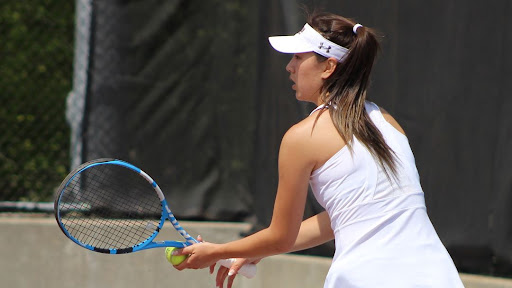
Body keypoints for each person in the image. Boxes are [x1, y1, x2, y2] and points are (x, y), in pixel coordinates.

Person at [171, 11, 465, 288]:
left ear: (328, 66)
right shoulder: (388, 123)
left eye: (299, 57)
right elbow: (348, 213)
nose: (290, 66)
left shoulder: (302, 138)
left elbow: (280, 237)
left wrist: (216, 251)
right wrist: (254, 248)